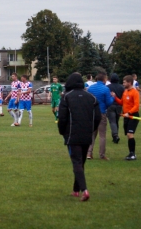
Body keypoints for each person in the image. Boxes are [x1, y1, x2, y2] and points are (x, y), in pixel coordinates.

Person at [58, 73, 101, 201]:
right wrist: (91, 129)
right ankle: (76, 190)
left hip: (72, 134)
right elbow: (98, 117)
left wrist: (62, 132)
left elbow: (62, 117)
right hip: (87, 134)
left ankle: (84, 190)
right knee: (81, 162)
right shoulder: (91, 98)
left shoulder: (66, 97)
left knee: (77, 162)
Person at [111, 75, 140, 160]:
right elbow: (121, 103)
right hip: (126, 116)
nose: (123, 83)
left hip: (133, 116)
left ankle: (133, 154)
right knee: (128, 135)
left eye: (124, 82)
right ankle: (131, 153)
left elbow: (136, 106)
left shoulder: (135, 92)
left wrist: (129, 113)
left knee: (130, 134)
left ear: (129, 83)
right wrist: (115, 97)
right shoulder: (125, 92)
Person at [87, 72, 114, 160]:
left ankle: (89, 153)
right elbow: (108, 102)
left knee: (92, 134)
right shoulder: (105, 89)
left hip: (92, 113)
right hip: (101, 112)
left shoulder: (90, 88)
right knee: (102, 135)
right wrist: (112, 97)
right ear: (104, 79)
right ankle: (102, 154)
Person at [107, 73, 125, 143]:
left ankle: (115, 135)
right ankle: (115, 135)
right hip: (119, 106)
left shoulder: (108, 87)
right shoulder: (121, 87)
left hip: (111, 105)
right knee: (116, 121)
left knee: (112, 121)